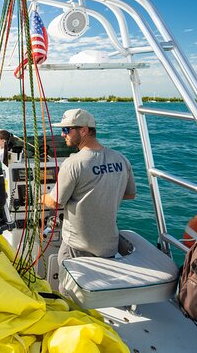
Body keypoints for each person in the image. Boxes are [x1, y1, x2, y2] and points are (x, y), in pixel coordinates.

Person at [40, 108, 136, 290]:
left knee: (68, 291)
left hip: (76, 247)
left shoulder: (73, 163)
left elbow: (55, 202)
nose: (63, 134)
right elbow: (129, 194)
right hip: (108, 246)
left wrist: (40, 197)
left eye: (67, 130)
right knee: (99, 288)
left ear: (84, 130)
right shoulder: (121, 159)